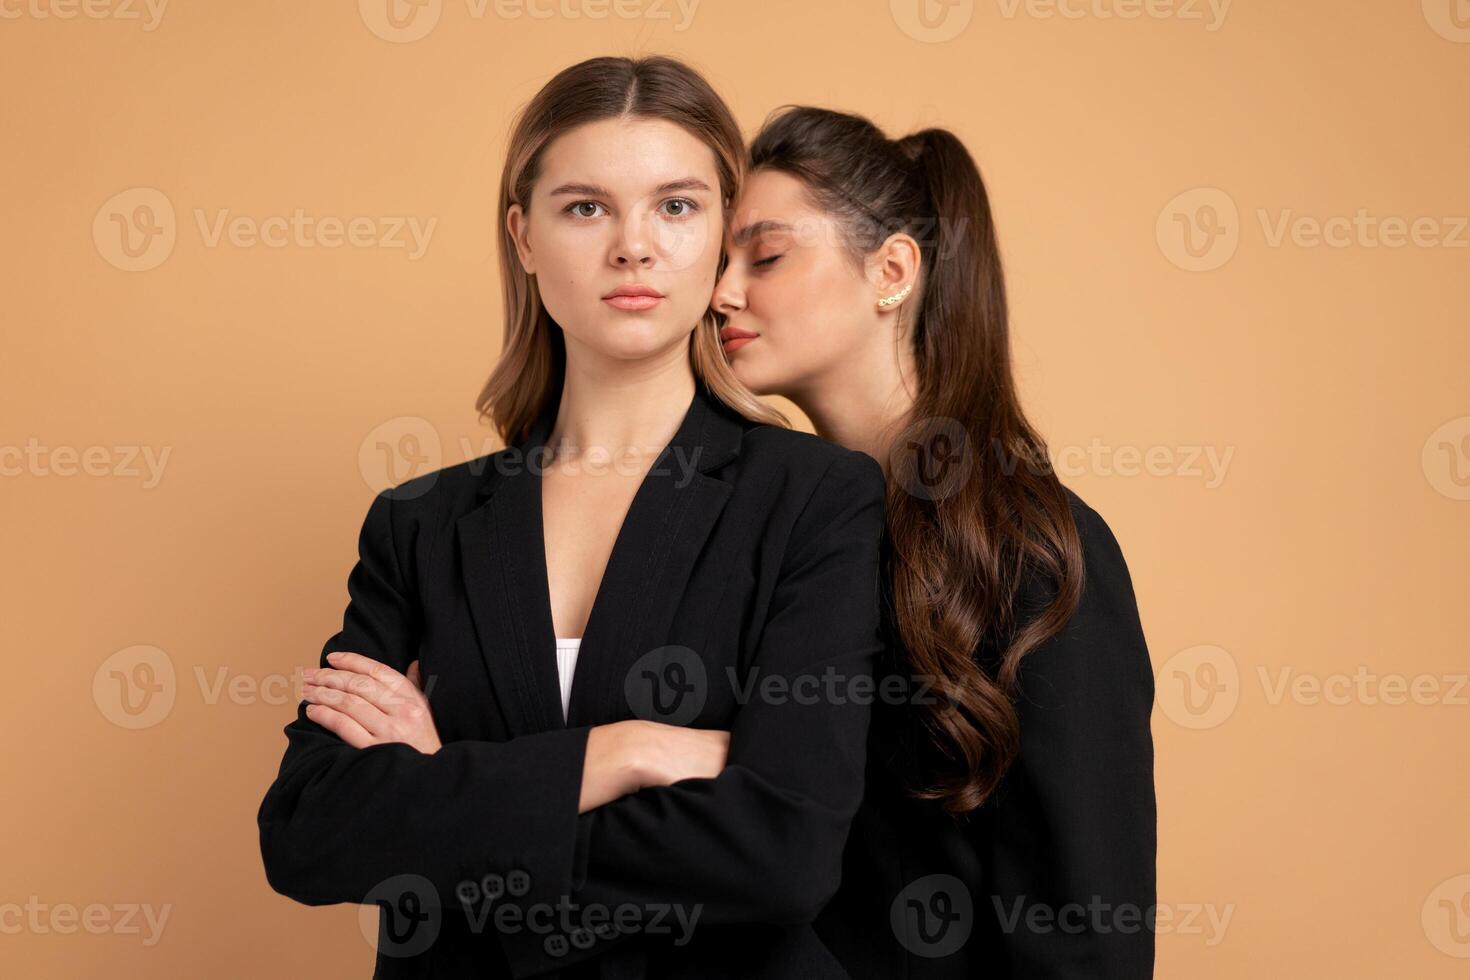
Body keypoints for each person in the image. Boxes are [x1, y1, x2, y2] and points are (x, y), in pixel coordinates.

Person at [257, 60, 886, 979]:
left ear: (720, 236)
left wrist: (451, 791)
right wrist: (620, 752)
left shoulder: (815, 498)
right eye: (585, 207)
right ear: (523, 235)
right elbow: (309, 831)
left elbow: (782, 856)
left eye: (676, 206)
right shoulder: (420, 524)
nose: (633, 247)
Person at [712, 105, 1158, 977]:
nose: (723, 292)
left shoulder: (1032, 553)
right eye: (722, 262)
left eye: (764, 257)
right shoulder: (771, 540)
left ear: (892, 270)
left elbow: (1088, 937)